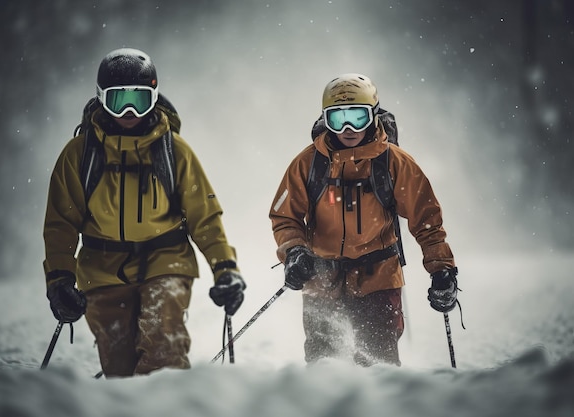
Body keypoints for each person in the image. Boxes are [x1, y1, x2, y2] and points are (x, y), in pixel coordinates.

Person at [43, 48, 246, 377]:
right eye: (117, 99)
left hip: (166, 260)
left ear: (153, 98)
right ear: (100, 98)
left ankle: (168, 404)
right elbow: (60, 224)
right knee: (119, 368)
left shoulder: (173, 150)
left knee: (162, 346)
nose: (128, 110)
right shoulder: (80, 154)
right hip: (102, 269)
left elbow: (204, 215)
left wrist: (225, 270)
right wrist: (60, 279)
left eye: (139, 99)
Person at [269, 73, 458, 366]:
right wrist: (295, 252)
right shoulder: (308, 164)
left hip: (378, 283)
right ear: (325, 120)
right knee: (324, 367)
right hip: (322, 282)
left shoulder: (394, 162)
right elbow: (285, 217)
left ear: (373, 115)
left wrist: (441, 269)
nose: (348, 128)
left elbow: (427, 219)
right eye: (338, 118)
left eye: (358, 117)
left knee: (377, 367)